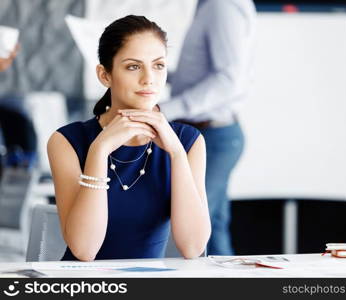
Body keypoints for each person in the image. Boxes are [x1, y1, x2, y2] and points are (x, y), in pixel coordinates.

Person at [47, 15, 211, 261]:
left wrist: (176, 154)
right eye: (133, 66)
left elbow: (193, 247)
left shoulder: (188, 142)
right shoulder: (67, 141)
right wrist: (99, 150)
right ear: (105, 75)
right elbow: (84, 250)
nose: (149, 79)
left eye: (158, 65)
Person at [159, 0, 256, 255]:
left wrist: (164, 111)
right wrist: (156, 71)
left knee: (192, 229)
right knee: (214, 228)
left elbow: (227, 80)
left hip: (212, 135)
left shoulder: (221, 6)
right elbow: (206, 72)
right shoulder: (212, 5)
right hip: (212, 133)